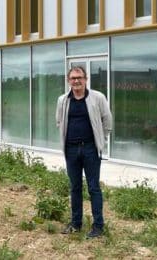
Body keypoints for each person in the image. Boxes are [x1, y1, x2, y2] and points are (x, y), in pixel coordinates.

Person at [55, 66, 112, 238]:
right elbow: (59, 121)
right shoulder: (63, 100)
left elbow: (107, 120)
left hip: (90, 149)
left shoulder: (97, 98)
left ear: (86, 79)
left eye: (79, 77)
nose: (76, 81)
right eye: (73, 78)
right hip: (71, 149)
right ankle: (76, 223)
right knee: (75, 187)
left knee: (94, 187)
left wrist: (101, 141)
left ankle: (98, 226)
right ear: (68, 80)